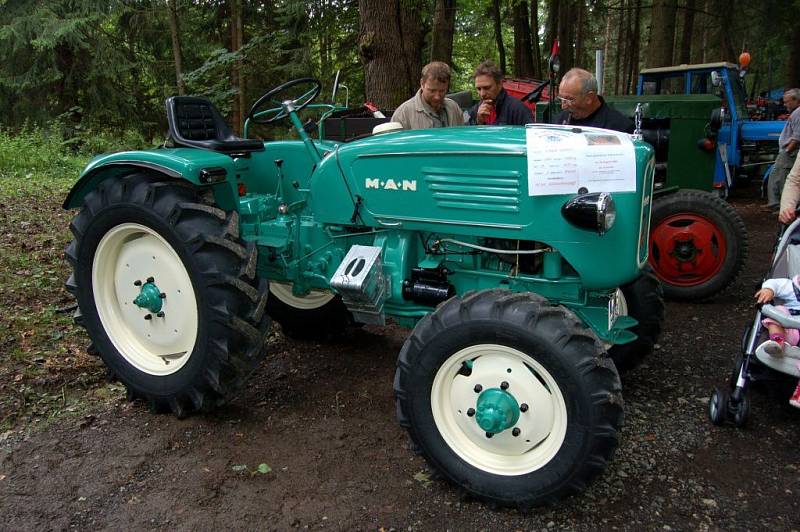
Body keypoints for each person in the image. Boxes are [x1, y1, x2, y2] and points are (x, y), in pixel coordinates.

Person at [754, 278, 800, 408]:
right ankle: (777, 342)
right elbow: (774, 283)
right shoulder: (790, 286)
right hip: (789, 331)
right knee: (778, 310)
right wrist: (769, 290)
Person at [552, 68, 634, 133]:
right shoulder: (560, 121)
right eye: (561, 99)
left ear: (589, 98)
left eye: (569, 99)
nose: (563, 106)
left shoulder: (619, 128)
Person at [390, 61, 464, 130]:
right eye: (432, 91)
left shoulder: (454, 108)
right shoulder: (403, 114)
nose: (437, 97)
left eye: (442, 91)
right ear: (422, 84)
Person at [467, 60, 533, 126]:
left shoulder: (518, 110)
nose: (482, 94)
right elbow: (463, 131)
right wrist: (478, 122)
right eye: (479, 89)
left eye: (487, 88)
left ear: (500, 84)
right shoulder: (474, 111)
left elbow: (532, 133)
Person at [766, 88, 800, 211]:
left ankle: (782, 206)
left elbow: (797, 137)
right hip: (786, 151)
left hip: (789, 152)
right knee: (776, 176)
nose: (785, 105)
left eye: (787, 102)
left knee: (781, 178)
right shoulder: (795, 113)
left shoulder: (798, 113)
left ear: (796, 100)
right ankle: (775, 204)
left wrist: (787, 151)